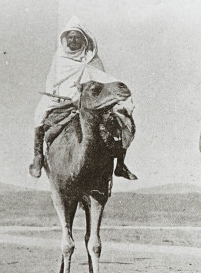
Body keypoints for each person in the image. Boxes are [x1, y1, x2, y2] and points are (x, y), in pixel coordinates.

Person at [29, 15, 137, 180]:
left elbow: (102, 81)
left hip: (88, 100)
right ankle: (38, 157)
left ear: (83, 39)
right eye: (70, 37)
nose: (73, 40)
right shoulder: (59, 58)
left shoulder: (91, 58)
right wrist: (57, 94)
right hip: (62, 99)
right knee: (39, 114)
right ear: (65, 39)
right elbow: (52, 80)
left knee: (118, 118)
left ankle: (120, 164)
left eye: (76, 37)